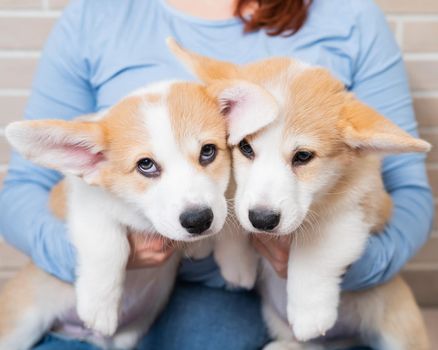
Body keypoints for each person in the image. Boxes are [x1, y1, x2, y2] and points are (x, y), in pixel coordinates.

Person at [0, 0, 433, 349]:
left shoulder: (350, 16)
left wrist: (339, 269)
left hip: (245, 295)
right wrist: (100, 263)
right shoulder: (97, 15)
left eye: (210, 150)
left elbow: (408, 193)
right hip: (117, 284)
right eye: (242, 145)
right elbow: (24, 190)